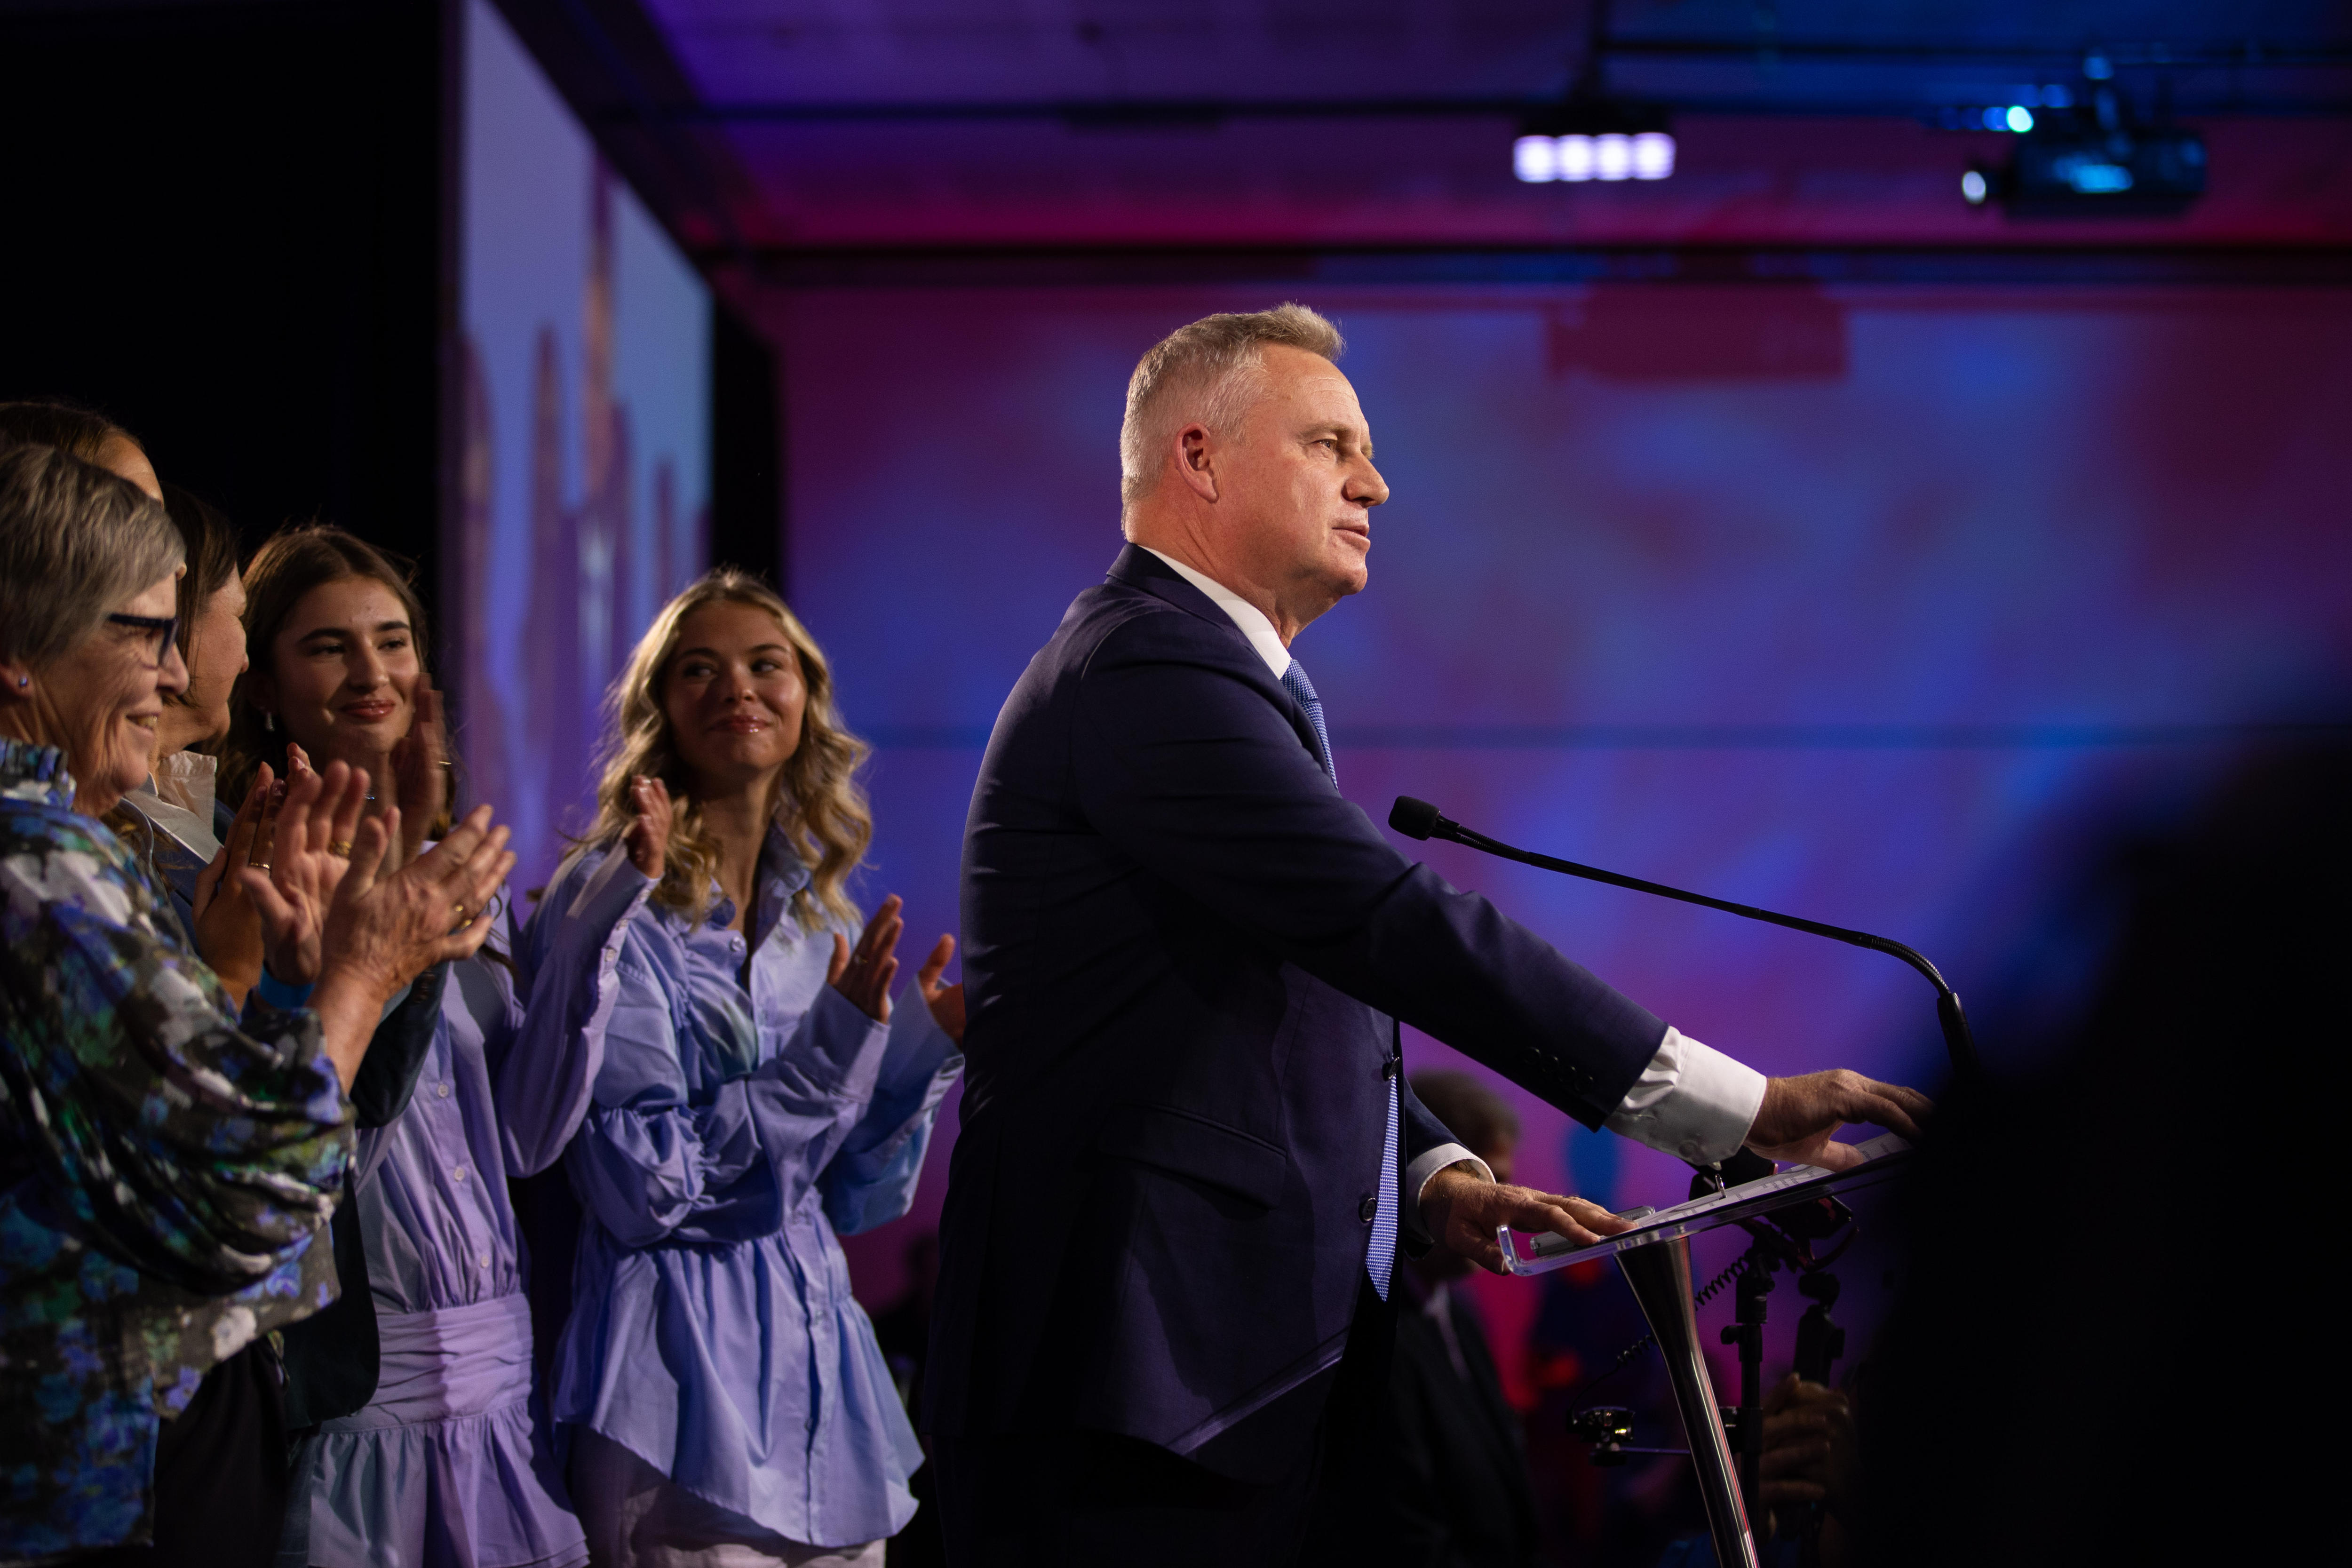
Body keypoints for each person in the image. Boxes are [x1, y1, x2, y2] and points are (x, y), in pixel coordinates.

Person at [927, 304, 1933, 1565]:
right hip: (1125, 1400)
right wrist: (1740, 1108)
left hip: (1205, 1394)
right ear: (1199, 457)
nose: (1375, 483)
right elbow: (1386, 920)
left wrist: (1428, 1177)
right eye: (1330, 444)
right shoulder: (1145, 672)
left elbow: (1285, 990)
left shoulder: (1190, 674)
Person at [0, 443, 516, 1561]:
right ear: (20, 657)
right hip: (96, 1477)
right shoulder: (38, 861)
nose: (173, 672)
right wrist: (360, 978)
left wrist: (264, 982)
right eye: (146, 631)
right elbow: (250, 1197)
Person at [508, 570, 966, 1566]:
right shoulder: (611, 903)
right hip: (674, 1400)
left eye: (766, 664)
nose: (738, 688)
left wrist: (922, 1051)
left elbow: (849, 1194)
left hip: (825, 1399)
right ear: (659, 708)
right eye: (700, 670)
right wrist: (829, 1055)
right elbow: (641, 1185)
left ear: (805, 699)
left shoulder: (819, 917)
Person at [211, 526, 585, 1568]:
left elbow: (522, 1141)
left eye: (393, 641)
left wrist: (587, 945)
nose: (371, 672)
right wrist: (380, 966)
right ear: (262, 686)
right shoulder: (243, 883)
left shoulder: (464, 872)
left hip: (502, 1387)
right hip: (354, 1404)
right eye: (328, 647)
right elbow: (310, 1149)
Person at [1374, 1072, 1543, 1568]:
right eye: (1491, 1187)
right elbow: (1406, 1538)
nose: (1503, 1212)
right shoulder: (1376, 1339)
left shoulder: (1461, 1315)